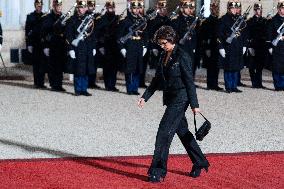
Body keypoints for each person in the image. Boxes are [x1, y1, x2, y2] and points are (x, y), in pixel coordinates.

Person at [138, 26, 209, 183]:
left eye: (163, 43)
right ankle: (200, 162)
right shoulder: (164, 54)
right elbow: (157, 79)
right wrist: (145, 97)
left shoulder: (182, 56)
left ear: (171, 40)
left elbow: (189, 82)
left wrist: (194, 105)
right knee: (182, 132)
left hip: (181, 99)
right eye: (160, 44)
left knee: (164, 132)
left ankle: (158, 171)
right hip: (170, 98)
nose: (161, 46)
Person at [65, 0, 97, 96]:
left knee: (86, 68)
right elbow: (69, 36)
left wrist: (93, 47)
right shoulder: (72, 20)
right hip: (77, 47)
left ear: (86, 8)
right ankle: (78, 89)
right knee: (78, 69)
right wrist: (70, 49)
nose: (81, 9)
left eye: (83, 7)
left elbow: (92, 35)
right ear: (77, 8)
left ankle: (84, 89)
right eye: (79, 7)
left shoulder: (89, 20)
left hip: (87, 46)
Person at [117, 0, 147, 95]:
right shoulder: (125, 21)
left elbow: (146, 35)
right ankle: (130, 89)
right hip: (129, 47)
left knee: (137, 69)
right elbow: (119, 37)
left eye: (138, 8)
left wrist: (145, 46)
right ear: (130, 9)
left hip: (138, 47)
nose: (137, 10)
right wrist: (122, 48)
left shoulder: (142, 21)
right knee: (130, 70)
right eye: (134, 8)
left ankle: (135, 88)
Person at [217, 0, 248, 93]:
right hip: (228, 47)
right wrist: (221, 47)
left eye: (236, 8)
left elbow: (245, 34)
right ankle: (228, 86)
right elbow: (219, 35)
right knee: (228, 68)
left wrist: (244, 45)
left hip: (238, 46)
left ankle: (234, 86)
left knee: (236, 67)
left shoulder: (240, 19)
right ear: (229, 9)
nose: (235, 10)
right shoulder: (223, 19)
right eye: (232, 8)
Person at [40, 0, 67, 92]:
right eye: (57, 6)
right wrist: (45, 46)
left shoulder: (64, 17)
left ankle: (59, 84)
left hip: (61, 44)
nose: (59, 7)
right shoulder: (48, 17)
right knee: (53, 66)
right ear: (53, 6)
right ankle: (53, 84)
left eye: (60, 6)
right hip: (52, 44)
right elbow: (43, 33)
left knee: (60, 65)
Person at [96, 0, 120, 91]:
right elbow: (98, 33)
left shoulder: (117, 18)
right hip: (105, 44)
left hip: (114, 45)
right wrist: (100, 45)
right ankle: (107, 85)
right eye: (110, 7)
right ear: (106, 8)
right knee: (107, 66)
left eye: (112, 8)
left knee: (114, 66)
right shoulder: (102, 19)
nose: (111, 9)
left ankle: (112, 85)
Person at [171, 0, 199, 78]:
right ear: (181, 9)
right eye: (186, 7)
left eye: (189, 7)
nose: (188, 9)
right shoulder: (176, 20)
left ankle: (189, 82)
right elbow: (174, 34)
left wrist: (194, 46)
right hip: (180, 47)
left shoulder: (193, 19)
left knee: (190, 66)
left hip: (190, 47)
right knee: (180, 66)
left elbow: (195, 35)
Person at [200, 2, 223, 91]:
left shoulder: (219, 21)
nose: (215, 10)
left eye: (216, 9)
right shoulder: (206, 22)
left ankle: (215, 84)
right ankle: (210, 84)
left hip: (217, 46)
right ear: (210, 9)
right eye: (213, 9)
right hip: (210, 47)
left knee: (217, 67)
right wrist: (206, 48)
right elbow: (203, 36)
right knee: (210, 67)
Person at [25, 0, 46, 89]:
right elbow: (27, 31)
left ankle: (41, 83)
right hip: (34, 43)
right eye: (37, 5)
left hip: (42, 43)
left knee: (43, 64)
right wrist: (29, 44)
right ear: (35, 6)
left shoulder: (45, 16)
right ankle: (36, 83)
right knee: (36, 64)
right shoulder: (30, 17)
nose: (39, 7)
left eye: (40, 5)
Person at [247, 3, 267, 88]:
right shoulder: (250, 21)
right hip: (253, 45)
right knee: (252, 66)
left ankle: (259, 83)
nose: (257, 11)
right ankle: (254, 83)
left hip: (261, 46)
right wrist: (249, 46)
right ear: (254, 10)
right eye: (256, 9)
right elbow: (247, 35)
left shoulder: (265, 21)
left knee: (260, 65)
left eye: (259, 9)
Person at [147, 0, 171, 70]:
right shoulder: (153, 20)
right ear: (159, 9)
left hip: (166, 47)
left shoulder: (168, 20)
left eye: (166, 8)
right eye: (163, 9)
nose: (165, 10)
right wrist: (153, 47)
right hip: (157, 47)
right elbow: (151, 35)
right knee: (158, 69)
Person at [267, 1, 284, 91]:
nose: (283, 10)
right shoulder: (273, 20)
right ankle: (278, 85)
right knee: (277, 67)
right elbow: (269, 34)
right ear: (278, 9)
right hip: (277, 46)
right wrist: (270, 46)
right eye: (282, 8)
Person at [87, 0, 102, 89]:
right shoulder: (85, 16)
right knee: (87, 63)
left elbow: (99, 28)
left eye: (92, 6)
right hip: (87, 42)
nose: (91, 7)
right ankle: (88, 82)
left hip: (95, 42)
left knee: (94, 64)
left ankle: (92, 82)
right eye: (89, 6)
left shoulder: (96, 16)